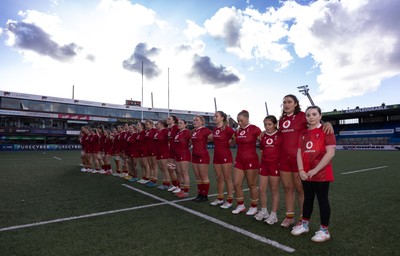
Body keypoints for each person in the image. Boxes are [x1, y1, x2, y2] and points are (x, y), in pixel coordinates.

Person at [279, 95, 333, 227]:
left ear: (296, 104)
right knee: (287, 188)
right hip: (284, 159)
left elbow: (316, 121)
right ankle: (289, 216)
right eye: (284, 102)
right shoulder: (282, 119)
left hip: (300, 160)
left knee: (301, 191)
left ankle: (303, 220)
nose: (286, 104)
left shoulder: (303, 115)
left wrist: (328, 123)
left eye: (289, 102)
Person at [291, 106, 336, 243]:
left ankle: (324, 231)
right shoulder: (303, 133)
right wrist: (301, 170)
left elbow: (330, 153)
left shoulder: (326, 130)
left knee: (322, 200)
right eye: (308, 115)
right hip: (306, 173)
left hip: (321, 173)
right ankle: (304, 224)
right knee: (308, 199)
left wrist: (315, 170)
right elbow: (299, 152)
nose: (311, 117)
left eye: (314, 114)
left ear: (320, 116)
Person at [231, 110, 261, 215]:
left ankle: (254, 207)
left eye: (241, 120)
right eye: (238, 121)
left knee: (251, 184)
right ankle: (241, 205)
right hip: (239, 160)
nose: (239, 123)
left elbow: (263, 140)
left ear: (247, 119)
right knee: (236, 183)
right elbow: (232, 143)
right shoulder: (237, 130)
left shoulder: (255, 129)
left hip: (251, 160)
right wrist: (233, 138)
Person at [254, 115, 281, 224]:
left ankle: (273, 215)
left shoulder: (280, 135)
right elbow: (261, 151)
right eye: (265, 124)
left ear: (275, 124)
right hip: (264, 165)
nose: (267, 126)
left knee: (274, 189)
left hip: (275, 165)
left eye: (269, 124)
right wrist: (261, 164)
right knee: (262, 189)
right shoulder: (263, 136)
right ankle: (264, 211)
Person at [210, 111, 235, 209]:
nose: (214, 118)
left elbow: (235, 139)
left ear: (222, 118)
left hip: (226, 156)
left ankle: (229, 201)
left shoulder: (228, 129)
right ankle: (220, 199)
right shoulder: (215, 128)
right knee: (219, 178)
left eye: (216, 116)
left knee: (227, 178)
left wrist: (230, 143)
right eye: (214, 116)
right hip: (216, 156)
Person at [191, 115, 213, 202]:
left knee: (203, 177)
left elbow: (212, 138)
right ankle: (200, 194)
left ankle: (205, 195)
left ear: (202, 122)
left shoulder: (206, 130)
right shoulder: (193, 131)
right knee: (198, 177)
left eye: (197, 120)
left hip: (202, 156)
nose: (194, 122)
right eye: (194, 120)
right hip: (194, 155)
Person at [174, 119, 192, 198]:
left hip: (184, 154)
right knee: (179, 172)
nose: (179, 124)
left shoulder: (187, 132)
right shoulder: (178, 133)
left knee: (184, 173)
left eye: (181, 123)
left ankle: (186, 192)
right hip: (177, 154)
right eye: (178, 123)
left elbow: (193, 141)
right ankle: (181, 189)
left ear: (185, 124)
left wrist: (190, 146)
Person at [154, 120, 171, 190]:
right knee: (162, 169)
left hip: (164, 151)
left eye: (157, 124)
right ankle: (164, 183)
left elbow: (170, 139)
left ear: (162, 124)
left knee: (165, 168)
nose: (156, 125)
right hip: (158, 152)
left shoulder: (165, 131)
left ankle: (167, 184)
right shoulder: (158, 131)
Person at [166, 115, 180, 193]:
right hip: (170, 151)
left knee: (177, 170)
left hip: (176, 151)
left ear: (174, 121)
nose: (167, 120)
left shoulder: (176, 127)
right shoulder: (169, 129)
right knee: (170, 168)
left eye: (169, 119)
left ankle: (179, 186)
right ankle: (175, 185)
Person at [144, 120, 158, 187]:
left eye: (147, 124)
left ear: (151, 124)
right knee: (150, 165)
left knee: (154, 165)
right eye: (145, 125)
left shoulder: (154, 130)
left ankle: (155, 180)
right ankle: (151, 179)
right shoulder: (147, 131)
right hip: (148, 150)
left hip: (153, 150)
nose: (146, 126)